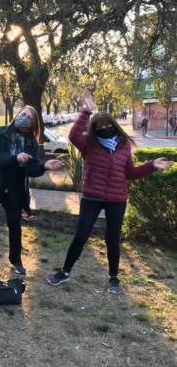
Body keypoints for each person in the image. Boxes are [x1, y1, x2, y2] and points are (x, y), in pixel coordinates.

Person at [47, 90, 173, 294]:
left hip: (117, 199)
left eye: (107, 125)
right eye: (99, 127)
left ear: (113, 125)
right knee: (81, 236)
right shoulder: (89, 143)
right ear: (94, 129)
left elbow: (130, 173)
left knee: (112, 239)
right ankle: (65, 272)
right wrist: (86, 112)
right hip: (92, 198)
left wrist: (151, 165)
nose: (104, 128)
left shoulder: (123, 146)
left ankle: (113, 277)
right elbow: (73, 135)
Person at [0, 106, 63, 275]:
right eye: (23, 114)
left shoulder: (31, 142)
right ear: (17, 115)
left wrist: (44, 166)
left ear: (33, 123)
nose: (25, 118)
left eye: (30, 117)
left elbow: (31, 168)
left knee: (15, 224)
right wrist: (15, 158)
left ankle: (16, 260)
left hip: (14, 188)